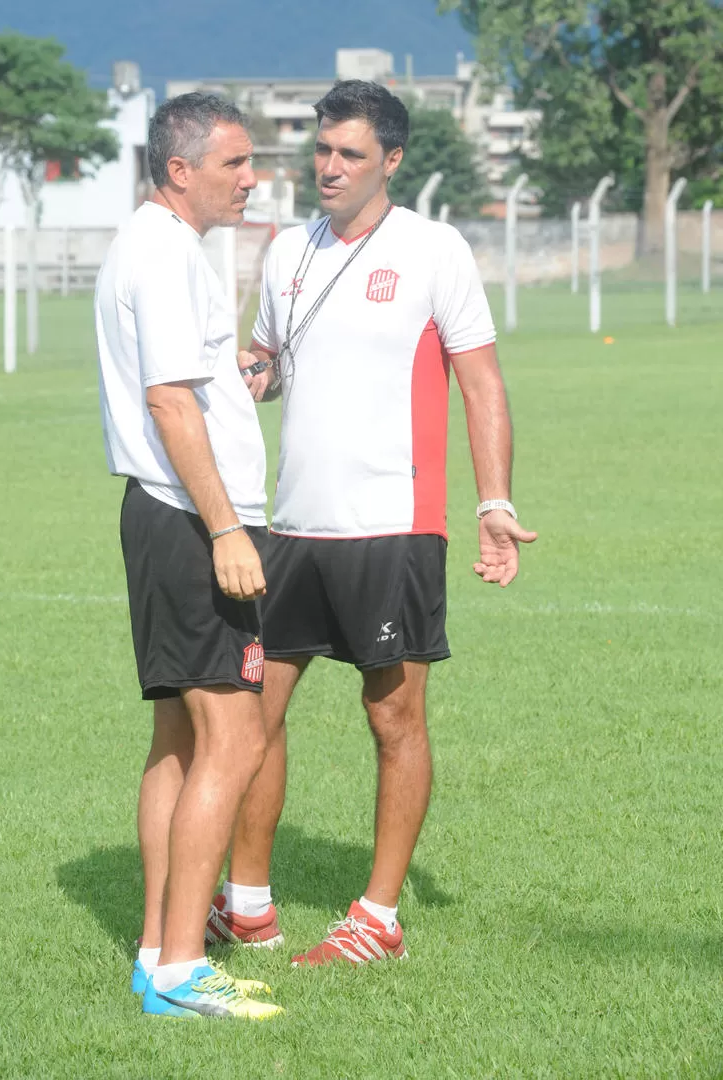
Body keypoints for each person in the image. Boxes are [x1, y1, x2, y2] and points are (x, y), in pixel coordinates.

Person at [206, 80, 537, 966]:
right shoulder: (284, 253)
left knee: (393, 721)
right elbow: (276, 365)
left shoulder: (436, 250)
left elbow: (482, 384)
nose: (329, 167)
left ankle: (377, 920)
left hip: (393, 525)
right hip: (291, 529)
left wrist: (493, 504)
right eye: (321, 150)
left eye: (350, 153)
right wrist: (249, 373)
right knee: (250, 715)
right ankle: (248, 907)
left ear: (391, 159)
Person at [94, 92, 283, 1019]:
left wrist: (239, 390)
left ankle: (153, 954)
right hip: (189, 522)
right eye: (235, 164)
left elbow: (188, 389)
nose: (252, 180)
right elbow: (169, 405)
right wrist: (226, 529)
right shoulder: (164, 254)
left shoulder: (155, 245)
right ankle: (178, 970)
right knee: (235, 736)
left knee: (177, 741)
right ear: (180, 170)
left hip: (163, 515)